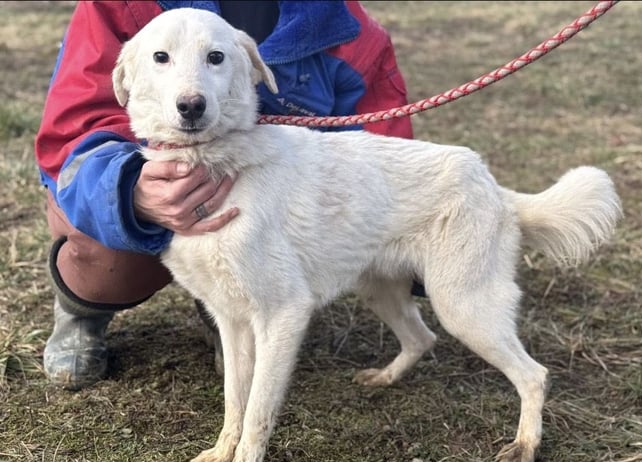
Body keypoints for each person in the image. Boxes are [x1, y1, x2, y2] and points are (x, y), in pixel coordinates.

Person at [35, 0, 414, 390]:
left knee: (261, 244)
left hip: (257, 211)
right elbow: (72, 133)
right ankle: (83, 308)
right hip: (140, 178)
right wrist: (128, 189)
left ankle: (229, 301)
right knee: (110, 259)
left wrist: (413, 240)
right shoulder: (119, 4)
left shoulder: (342, 24)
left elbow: (381, 160)